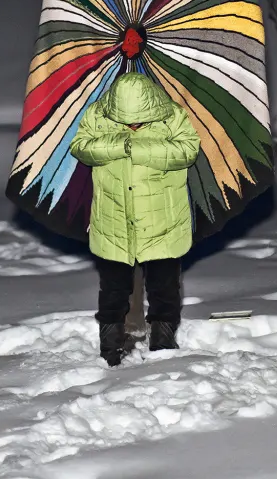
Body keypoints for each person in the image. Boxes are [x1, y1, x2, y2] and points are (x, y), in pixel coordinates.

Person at [69, 71, 201, 366]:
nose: (133, 126)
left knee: (164, 288)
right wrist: (119, 144)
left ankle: (163, 341)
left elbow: (188, 149)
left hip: (163, 221)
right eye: (126, 121)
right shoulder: (98, 115)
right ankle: (110, 347)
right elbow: (80, 146)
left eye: (139, 121)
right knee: (113, 289)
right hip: (113, 219)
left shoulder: (172, 117)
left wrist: (137, 147)